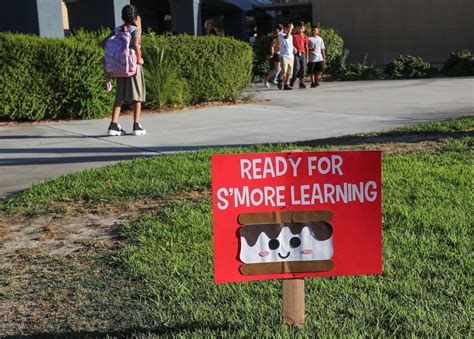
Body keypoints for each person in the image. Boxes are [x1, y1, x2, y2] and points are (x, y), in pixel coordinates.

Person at [102, 5, 146, 136]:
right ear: (136, 17)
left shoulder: (117, 30)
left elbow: (104, 42)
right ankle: (136, 125)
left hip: (119, 67)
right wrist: (139, 59)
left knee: (119, 97)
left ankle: (113, 125)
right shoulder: (135, 30)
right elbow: (137, 44)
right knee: (137, 96)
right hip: (133, 67)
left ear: (122, 17)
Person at [291, 21, 309, 89]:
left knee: (304, 68)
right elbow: (290, 44)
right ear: (297, 28)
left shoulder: (305, 36)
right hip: (296, 54)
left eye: (302, 27)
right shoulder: (294, 36)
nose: (301, 28)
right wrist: (293, 47)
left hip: (303, 53)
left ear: (304, 28)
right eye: (299, 27)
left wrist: (307, 58)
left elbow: (306, 47)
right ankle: (292, 80)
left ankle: (301, 82)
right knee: (296, 68)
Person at [277, 23, 295, 90]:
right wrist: (291, 29)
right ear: (284, 28)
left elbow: (290, 44)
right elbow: (286, 37)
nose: (288, 29)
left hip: (291, 56)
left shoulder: (291, 36)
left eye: (289, 27)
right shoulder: (280, 34)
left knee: (289, 72)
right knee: (284, 70)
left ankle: (286, 85)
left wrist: (294, 48)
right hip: (283, 55)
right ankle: (280, 80)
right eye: (287, 27)